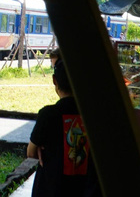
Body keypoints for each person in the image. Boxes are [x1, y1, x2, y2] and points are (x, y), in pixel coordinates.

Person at [27, 60, 99, 196]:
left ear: (55, 80)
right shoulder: (93, 115)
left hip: (51, 189)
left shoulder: (47, 114)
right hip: (84, 189)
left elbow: (31, 152)